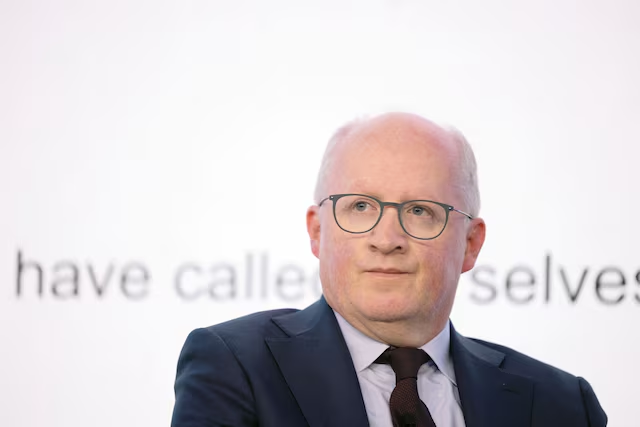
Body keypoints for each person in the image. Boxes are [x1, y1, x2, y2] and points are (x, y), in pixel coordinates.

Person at [171, 112, 607, 427]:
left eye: (420, 211)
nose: (387, 239)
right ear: (317, 232)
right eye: (360, 207)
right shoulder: (235, 367)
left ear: (470, 245)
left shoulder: (563, 405)